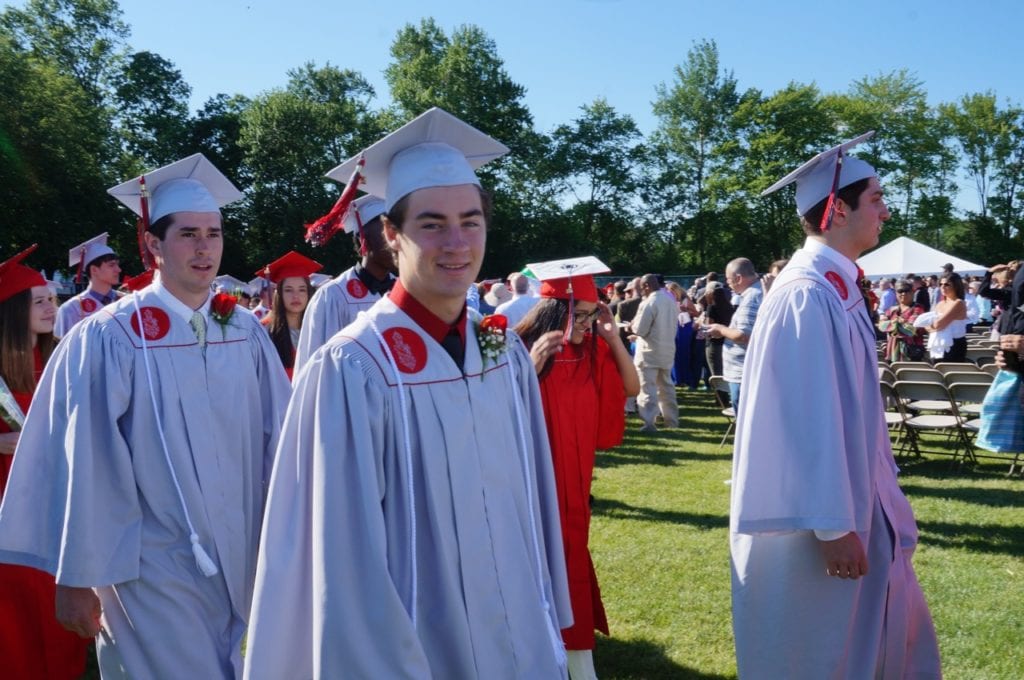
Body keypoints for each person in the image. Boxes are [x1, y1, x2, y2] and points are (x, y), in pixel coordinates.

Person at [243, 108, 571, 679]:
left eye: (471, 221)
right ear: (391, 235)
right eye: (432, 223)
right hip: (416, 642)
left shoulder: (503, 353)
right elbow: (344, 560)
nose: (456, 243)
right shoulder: (353, 366)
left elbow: (532, 503)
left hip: (515, 630)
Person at [0, 154, 292, 678]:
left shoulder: (244, 333)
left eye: (213, 233)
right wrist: (75, 576)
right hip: (150, 562)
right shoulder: (112, 336)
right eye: (188, 234)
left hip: (245, 546)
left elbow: (283, 437)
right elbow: (84, 461)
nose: (204, 247)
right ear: (154, 246)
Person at [731, 132, 941, 679]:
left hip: (854, 502)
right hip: (821, 526)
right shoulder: (806, 293)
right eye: (876, 199)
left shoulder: (832, 286)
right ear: (836, 208)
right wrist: (831, 527)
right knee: (819, 649)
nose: (886, 211)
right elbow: (805, 419)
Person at [516, 257, 639, 680]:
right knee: (534, 557)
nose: (587, 323)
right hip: (533, 477)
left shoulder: (594, 351)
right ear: (558, 311)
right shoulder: (518, 347)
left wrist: (612, 336)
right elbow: (498, 409)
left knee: (570, 552)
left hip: (576, 480)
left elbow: (632, 387)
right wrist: (532, 364)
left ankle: (575, 653)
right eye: (581, 316)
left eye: (591, 315)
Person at [0, 246, 92, 679]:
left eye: (52, 299)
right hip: (7, 503)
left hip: (56, 503)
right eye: (38, 300)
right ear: (12, 311)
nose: (50, 308)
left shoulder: (64, 361)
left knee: (55, 598)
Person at [295, 194, 397, 373]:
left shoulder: (406, 291)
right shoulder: (333, 297)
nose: (395, 242)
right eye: (385, 234)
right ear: (362, 241)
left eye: (398, 232)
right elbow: (314, 368)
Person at [706, 258, 762, 411]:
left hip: (743, 372)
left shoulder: (752, 297)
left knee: (745, 421)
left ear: (738, 278)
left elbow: (744, 335)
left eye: (729, 279)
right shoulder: (757, 292)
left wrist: (720, 329)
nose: (727, 283)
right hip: (747, 370)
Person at [259, 251, 323, 380]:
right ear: (279, 294)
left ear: (308, 294)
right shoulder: (264, 332)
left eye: (302, 289)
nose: (296, 296)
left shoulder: (318, 329)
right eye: (288, 290)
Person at [629, 273, 679, 432]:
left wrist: (632, 326)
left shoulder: (649, 302)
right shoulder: (670, 301)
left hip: (649, 352)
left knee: (647, 388)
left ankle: (649, 423)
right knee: (667, 387)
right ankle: (671, 420)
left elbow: (640, 329)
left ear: (646, 286)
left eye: (641, 288)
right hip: (667, 350)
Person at [54, 233, 121, 336]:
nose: (118, 270)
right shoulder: (71, 309)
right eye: (111, 265)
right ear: (94, 270)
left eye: (117, 264)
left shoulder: (126, 300)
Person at [877, 282, 926, 362]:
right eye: (900, 291)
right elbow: (881, 326)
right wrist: (898, 322)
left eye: (907, 291)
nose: (903, 294)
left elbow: (910, 330)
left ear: (912, 292)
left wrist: (890, 324)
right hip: (892, 351)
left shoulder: (918, 309)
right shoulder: (892, 309)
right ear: (896, 294)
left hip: (911, 352)